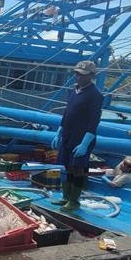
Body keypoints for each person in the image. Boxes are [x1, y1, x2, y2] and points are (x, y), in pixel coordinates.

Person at [51, 60, 103, 211]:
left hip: (81, 137)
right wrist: (59, 132)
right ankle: (65, 197)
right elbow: (67, 113)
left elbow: (94, 121)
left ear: (92, 76)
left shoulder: (95, 95)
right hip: (68, 135)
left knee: (77, 168)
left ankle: (74, 201)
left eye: (82, 75)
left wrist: (85, 143)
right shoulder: (73, 91)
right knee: (66, 167)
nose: (78, 77)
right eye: (77, 74)